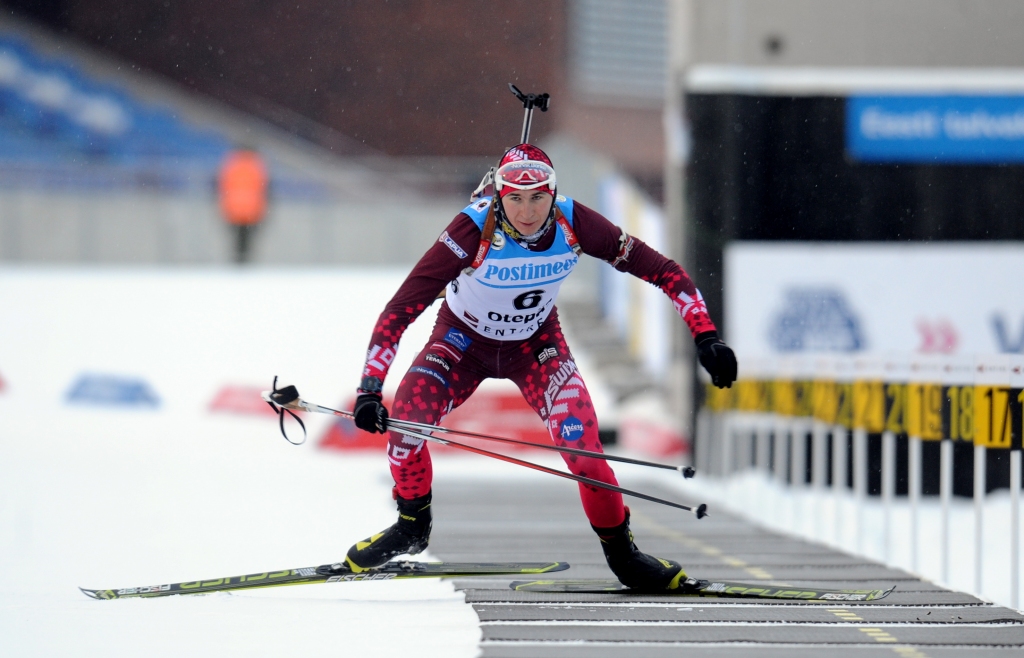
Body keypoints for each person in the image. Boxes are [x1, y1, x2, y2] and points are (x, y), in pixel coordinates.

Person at [345, 144, 736, 591]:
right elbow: (399, 310)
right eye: (514, 198)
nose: (527, 212)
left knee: (584, 452)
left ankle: (625, 556)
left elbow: (663, 271)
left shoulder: (577, 222)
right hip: (461, 345)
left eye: (537, 198)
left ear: (553, 193)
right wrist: (370, 390)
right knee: (406, 427)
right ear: (497, 196)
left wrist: (706, 335)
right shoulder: (470, 230)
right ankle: (412, 524)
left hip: (535, 347)